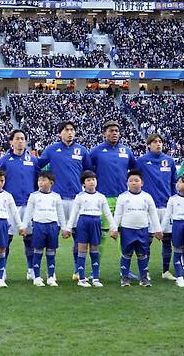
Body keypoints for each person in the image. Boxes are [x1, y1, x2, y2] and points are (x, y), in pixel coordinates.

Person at [37, 120, 91, 281]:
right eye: (66, 130)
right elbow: (38, 167)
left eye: (72, 129)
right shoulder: (52, 150)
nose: (70, 132)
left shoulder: (82, 150)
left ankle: (77, 270)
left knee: (79, 236)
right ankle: (46, 273)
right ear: (60, 133)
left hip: (76, 199)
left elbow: (89, 172)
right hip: (57, 200)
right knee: (51, 236)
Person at [0, 129, 40, 281]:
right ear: (11, 142)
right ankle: (2, 269)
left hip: (28, 205)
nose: (20, 141)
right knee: (6, 240)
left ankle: (31, 269)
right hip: (9, 206)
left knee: (30, 240)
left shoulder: (33, 160)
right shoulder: (5, 160)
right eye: (17, 138)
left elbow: (38, 181)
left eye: (22, 138)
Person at [89, 120, 137, 263]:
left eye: (116, 131)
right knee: (102, 234)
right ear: (104, 134)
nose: (114, 133)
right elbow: (88, 171)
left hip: (123, 198)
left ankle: (125, 268)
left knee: (125, 233)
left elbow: (135, 170)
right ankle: (95, 267)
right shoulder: (96, 151)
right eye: (111, 131)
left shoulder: (126, 150)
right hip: (104, 198)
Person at [63, 170, 118, 287]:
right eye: (88, 180)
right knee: (82, 250)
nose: (91, 182)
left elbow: (107, 213)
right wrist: (68, 228)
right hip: (83, 223)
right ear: (84, 184)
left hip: (96, 222)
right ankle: (81, 279)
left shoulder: (101, 197)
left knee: (95, 250)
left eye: (93, 179)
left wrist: (114, 227)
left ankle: (96, 278)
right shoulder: (79, 197)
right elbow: (73, 213)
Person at [136, 133, 177, 281]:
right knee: (147, 241)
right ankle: (144, 271)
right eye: (154, 142)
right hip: (148, 207)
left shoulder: (169, 161)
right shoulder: (141, 161)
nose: (158, 144)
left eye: (160, 141)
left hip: (166, 206)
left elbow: (174, 183)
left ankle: (165, 271)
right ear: (148, 145)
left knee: (167, 240)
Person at [114, 170, 163, 287]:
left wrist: (158, 229)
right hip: (127, 230)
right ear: (127, 183)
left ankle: (144, 278)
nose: (133, 183)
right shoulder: (122, 197)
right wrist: (114, 228)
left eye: (136, 180)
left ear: (142, 183)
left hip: (142, 230)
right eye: (131, 181)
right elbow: (118, 214)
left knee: (142, 254)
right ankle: (124, 278)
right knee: (126, 254)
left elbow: (153, 214)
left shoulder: (147, 197)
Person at [21, 171, 65, 287]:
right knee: (38, 251)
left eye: (44, 180)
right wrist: (24, 226)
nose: (41, 183)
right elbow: (28, 212)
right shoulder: (34, 196)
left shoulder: (56, 197)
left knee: (51, 252)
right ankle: (37, 277)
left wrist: (65, 228)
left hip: (52, 226)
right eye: (39, 180)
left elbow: (60, 214)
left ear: (51, 182)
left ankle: (51, 277)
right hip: (39, 226)